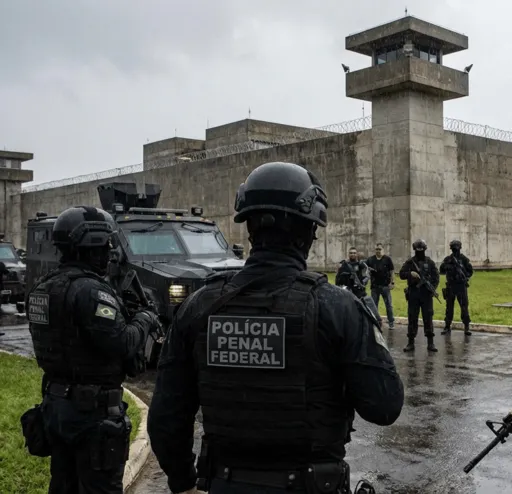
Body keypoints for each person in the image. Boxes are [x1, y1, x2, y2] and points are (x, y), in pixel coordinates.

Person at [147, 161, 404, 494]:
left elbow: (166, 417)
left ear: (250, 227)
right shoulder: (337, 307)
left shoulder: (199, 306)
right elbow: (384, 406)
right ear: (309, 231)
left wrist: (183, 483)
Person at [26, 206, 160, 494]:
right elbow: (123, 343)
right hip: (90, 415)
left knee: (63, 486)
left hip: (55, 407)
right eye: (106, 244)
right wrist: (145, 318)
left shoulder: (43, 287)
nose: (109, 251)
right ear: (92, 244)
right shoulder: (90, 291)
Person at [399, 239, 440, 353]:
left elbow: (436, 277)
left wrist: (432, 288)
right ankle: (410, 342)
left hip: (426, 295)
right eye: (418, 251)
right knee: (412, 318)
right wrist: (410, 274)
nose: (420, 253)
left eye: (422, 250)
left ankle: (430, 343)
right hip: (413, 293)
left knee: (428, 317)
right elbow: (401, 274)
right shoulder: (410, 262)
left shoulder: (429, 262)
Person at [439, 239, 473, 335]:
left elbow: (470, 271)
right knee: (449, 308)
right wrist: (447, 266)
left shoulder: (464, 259)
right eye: (454, 249)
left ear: (460, 248)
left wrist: (464, 277)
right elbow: (441, 271)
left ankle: (466, 327)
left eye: (456, 249)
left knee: (464, 307)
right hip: (450, 286)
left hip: (461, 286)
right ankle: (447, 326)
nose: (455, 250)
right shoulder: (448, 259)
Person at [367, 243, 396, 330]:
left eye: (379, 249)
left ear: (383, 249)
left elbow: (392, 271)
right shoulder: (370, 260)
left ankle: (391, 322)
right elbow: (365, 270)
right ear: (375, 250)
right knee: (374, 306)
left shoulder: (387, 259)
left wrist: (392, 282)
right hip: (374, 286)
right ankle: (375, 322)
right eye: (377, 249)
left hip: (385, 286)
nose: (378, 251)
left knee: (389, 305)